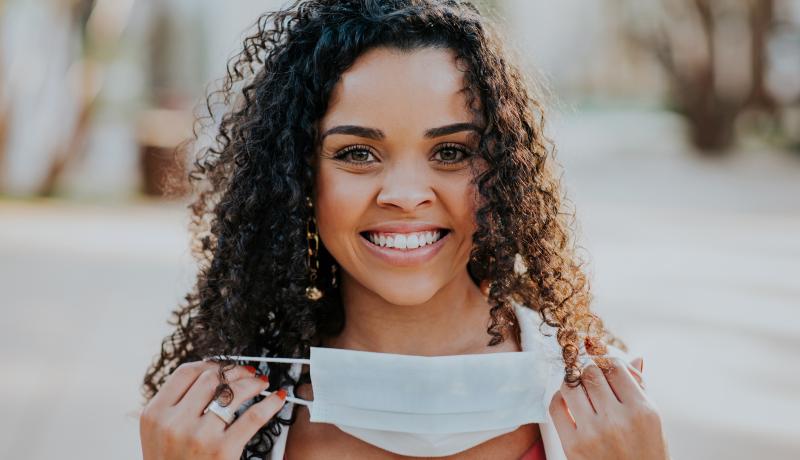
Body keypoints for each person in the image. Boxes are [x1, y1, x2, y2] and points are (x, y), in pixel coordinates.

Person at [139, 1, 671, 459]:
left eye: (451, 152)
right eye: (357, 153)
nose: (407, 194)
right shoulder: (216, 426)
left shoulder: (607, 417)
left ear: (503, 173)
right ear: (297, 176)